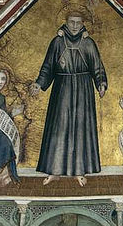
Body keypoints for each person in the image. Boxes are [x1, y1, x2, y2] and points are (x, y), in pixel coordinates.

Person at [29, 10, 107, 186]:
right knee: (59, 127)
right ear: (66, 22)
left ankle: (79, 171)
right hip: (62, 88)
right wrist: (39, 83)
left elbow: (97, 66)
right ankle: (54, 171)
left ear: (83, 23)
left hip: (83, 89)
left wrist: (101, 83)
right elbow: (48, 66)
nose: (75, 26)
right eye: (72, 22)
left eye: (78, 22)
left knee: (81, 128)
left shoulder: (88, 43)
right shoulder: (57, 42)